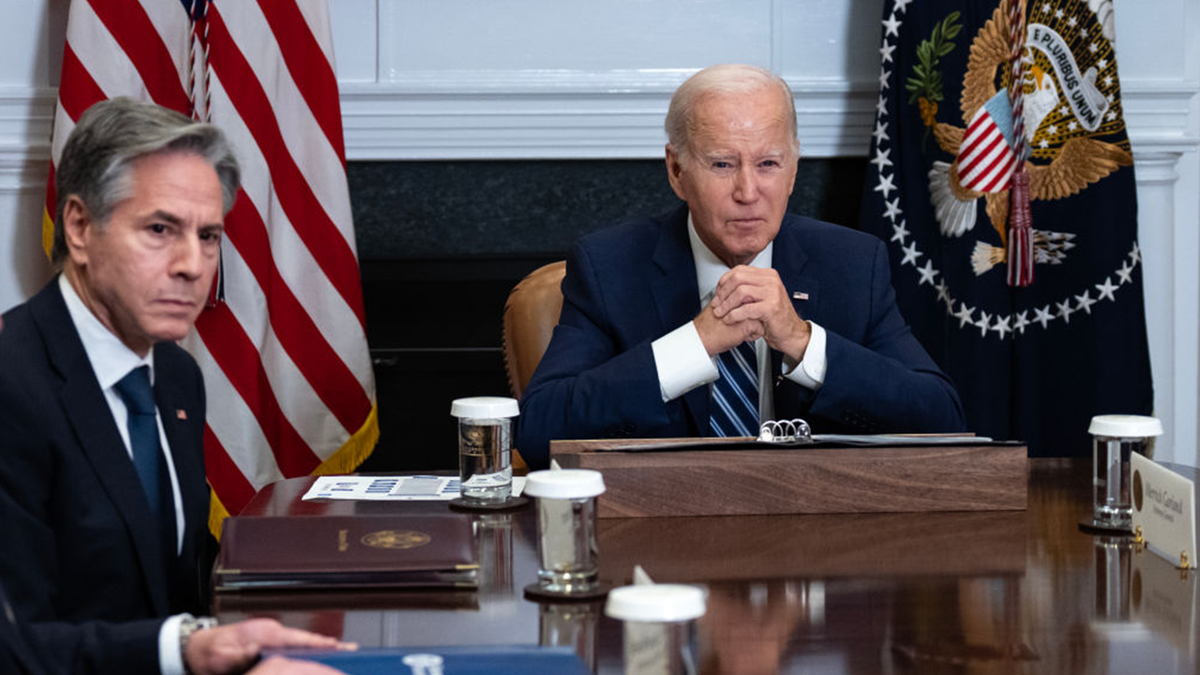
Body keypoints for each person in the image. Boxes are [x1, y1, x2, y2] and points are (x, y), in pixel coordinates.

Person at [517, 64, 966, 468]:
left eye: (768, 163)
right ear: (677, 171)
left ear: (793, 171)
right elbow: (540, 433)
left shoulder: (851, 264)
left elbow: (942, 420)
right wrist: (695, 344)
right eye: (722, 164)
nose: (748, 191)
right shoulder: (609, 266)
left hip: (814, 538)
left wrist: (801, 341)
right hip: (662, 538)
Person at [0, 97, 239, 666]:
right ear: (80, 228)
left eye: (208, 236)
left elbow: (168, 586)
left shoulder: (176, 376)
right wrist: (184, 650)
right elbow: (12, 649)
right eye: (161, 229)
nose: (193, 264)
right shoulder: (11, 386)